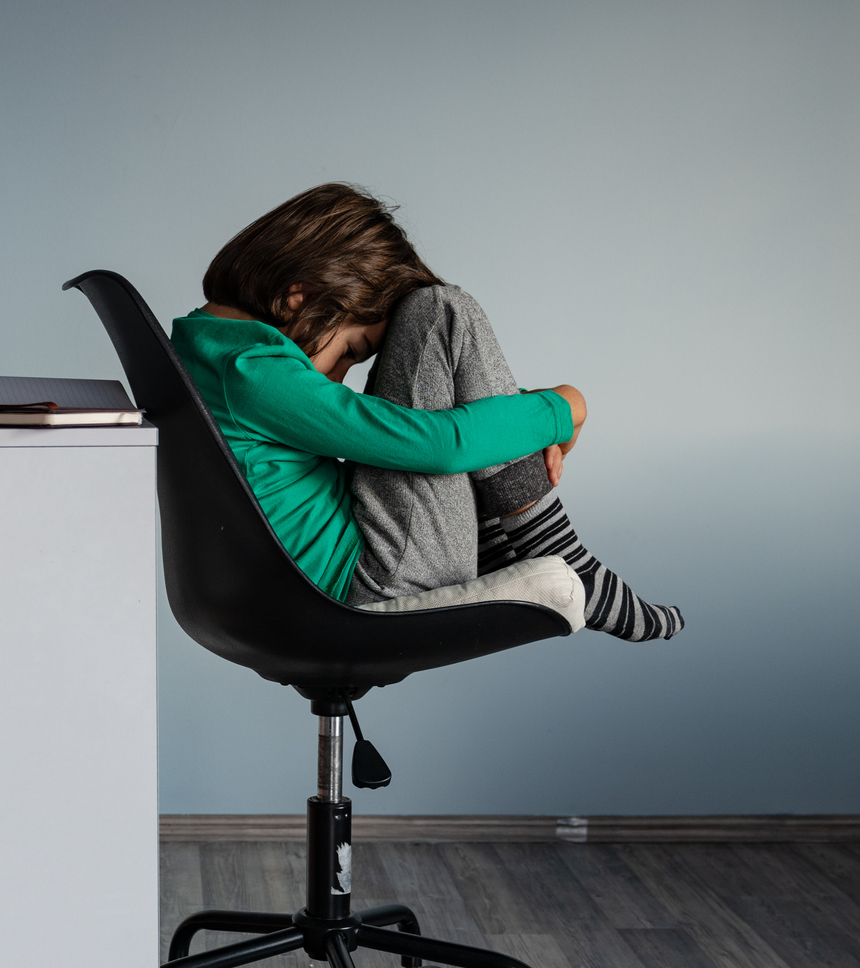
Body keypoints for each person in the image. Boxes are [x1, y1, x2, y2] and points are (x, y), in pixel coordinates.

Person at [169, 182, 682, 642]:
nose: (339, 378)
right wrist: (564, 406)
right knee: (441, 309)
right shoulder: (254, 374)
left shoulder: (205, 349)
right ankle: (558, 551)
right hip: (372, 584)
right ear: (298, 298)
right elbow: (440, 445)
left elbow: (423, 429)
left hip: (329, 581)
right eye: (351, 350)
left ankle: (520, 538)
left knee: (451, 359)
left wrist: (531, 414)